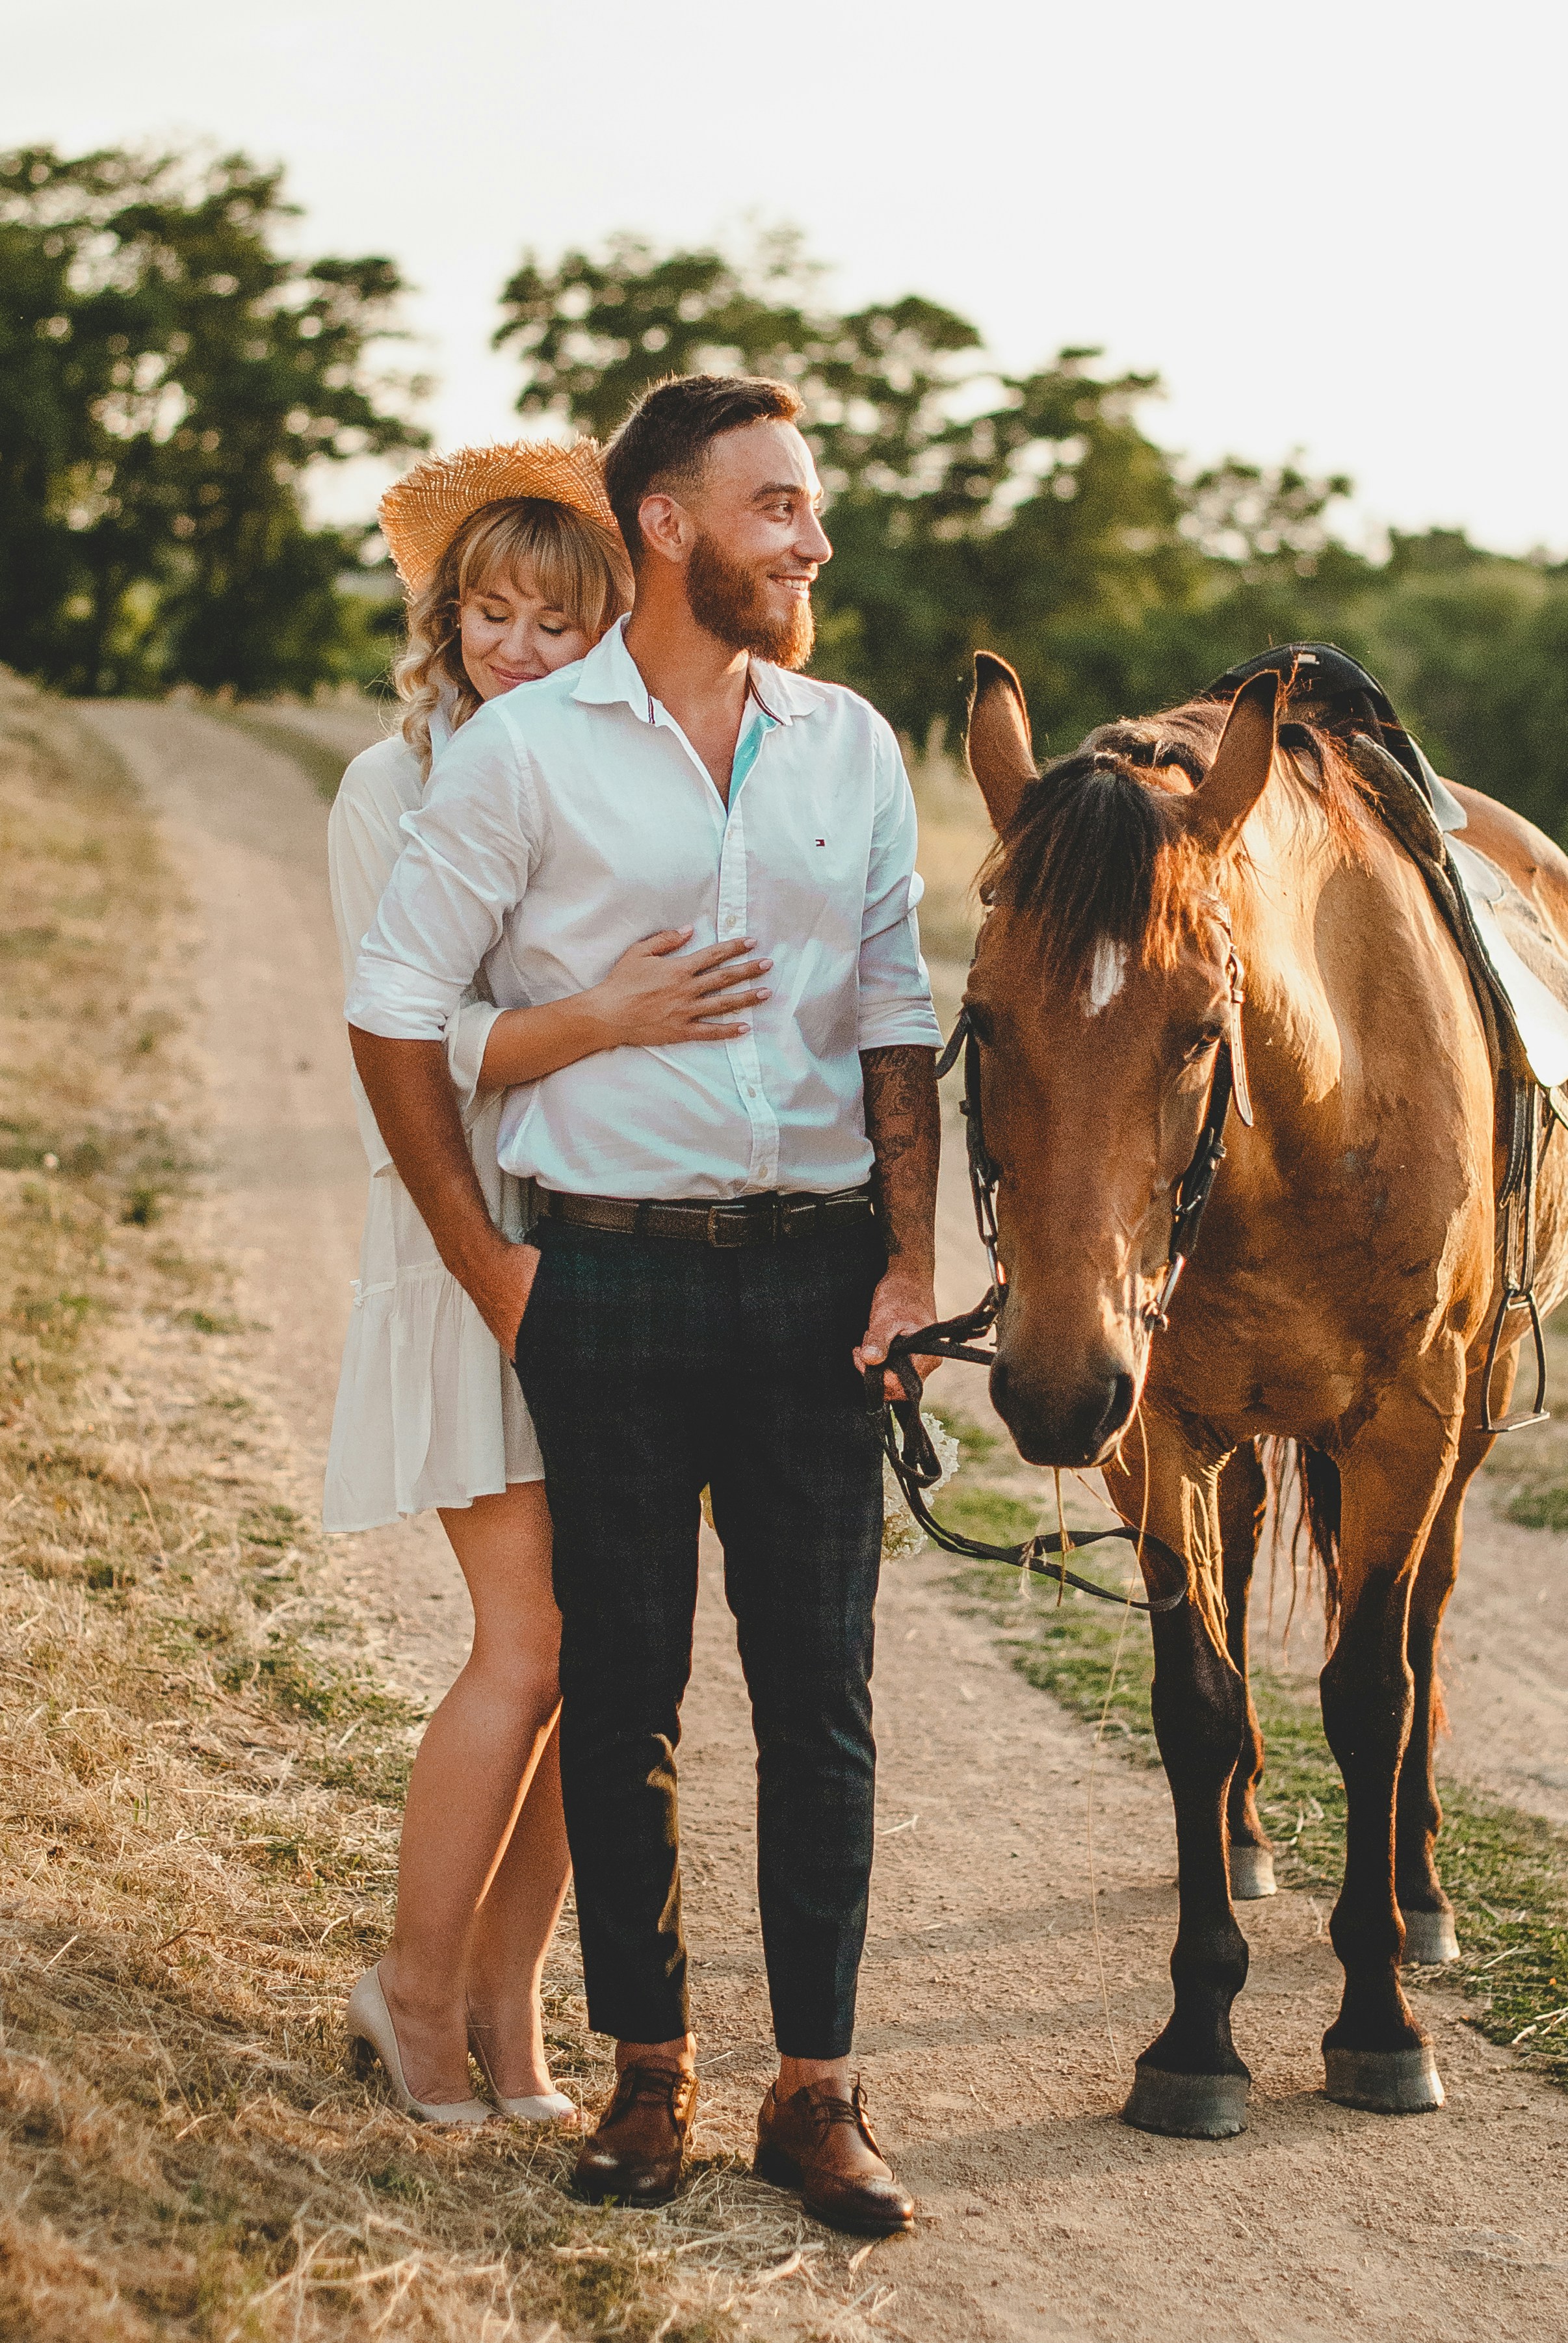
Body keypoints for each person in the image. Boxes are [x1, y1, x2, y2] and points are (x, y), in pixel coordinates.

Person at [345, 376, 943, 2232]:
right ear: (672, 525)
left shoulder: (848, 744)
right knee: (612, 1690)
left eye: (812, 508)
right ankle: (636, 2076)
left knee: (819, 1699)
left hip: (815, 1273)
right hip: (587, 1266)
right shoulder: (507, 760)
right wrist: (494, 1265)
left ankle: (817, 2086)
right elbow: (397, 1011)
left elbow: (898, 1016)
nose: (813, 539)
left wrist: (915, 1260)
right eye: (778, 504)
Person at [328, 438, 772, 2123]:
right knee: (529, 1638)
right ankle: (412, 1990)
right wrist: (599, 1022)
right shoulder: (395, 785)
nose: (511, 642)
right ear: (446, 619)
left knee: (613, 1653)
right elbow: (406, 1042)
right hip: (467, 1241)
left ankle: (512, 2006)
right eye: (485, 610)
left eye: (550, 612)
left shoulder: (612, 778)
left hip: (605, 1244)